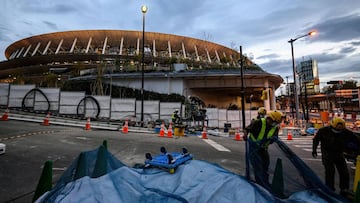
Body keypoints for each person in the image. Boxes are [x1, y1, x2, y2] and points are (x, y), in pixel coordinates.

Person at [312, 117, 360, 196]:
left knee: (344, 172)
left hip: (339, 154)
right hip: (327, 154)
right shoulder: (323, 131)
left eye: (340, 130)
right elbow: (316, 140)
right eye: (336, 129)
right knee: (330, 171)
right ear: (332, 126)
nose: (338, 131)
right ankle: (329, 189)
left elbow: (356, 139)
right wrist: (314, 150)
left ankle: (344, 188)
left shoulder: (345, 132)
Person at [244, 110, 283, 190]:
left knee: (265, 164)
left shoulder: (275, 128)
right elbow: (247, 129)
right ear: (269, 118)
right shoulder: (258, 122)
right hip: (254, 148)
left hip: (263, 148)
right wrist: (245, 135)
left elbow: (274, 138)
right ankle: (259, 184)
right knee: (257, 166)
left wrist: (272, 140)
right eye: (274, 122)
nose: (274, 124)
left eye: (276, 122)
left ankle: (264, 182)